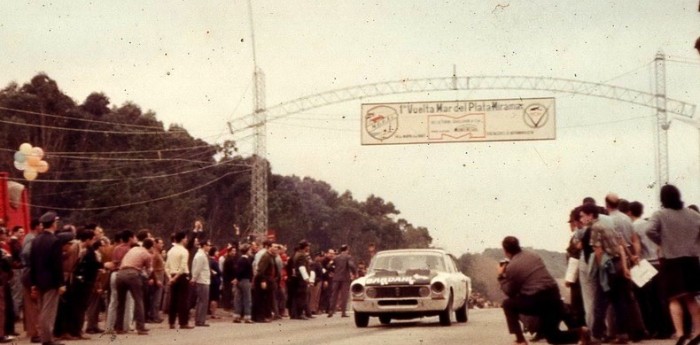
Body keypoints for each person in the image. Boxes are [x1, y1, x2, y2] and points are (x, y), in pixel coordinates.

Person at [497, 236, 588, 345]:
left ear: (505, 251)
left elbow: (510, 292)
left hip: (538, 300)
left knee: (508, 304)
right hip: (553, 294)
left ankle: (520, 340)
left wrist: (501, 276)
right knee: (553, 337)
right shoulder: (533, 255)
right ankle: (581, 332)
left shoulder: (512, 267)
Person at [646, 185, 700, 345]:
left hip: (670, 260)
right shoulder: (693, 214)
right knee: (691, 298)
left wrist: (661, 241)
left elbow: (650, 230)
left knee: (674, 299)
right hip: (690, 260)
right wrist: (694, 245)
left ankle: (680, 333)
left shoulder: (660, 214)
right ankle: (698, 331)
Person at [579, 203, 631, 344]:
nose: (581, 219)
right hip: (618, 264)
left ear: (590, 215)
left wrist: (601, 270)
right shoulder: (608, 225)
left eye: (583, 216)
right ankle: (622, 334)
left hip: (608, 268)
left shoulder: (595, 227)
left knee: (599, 303)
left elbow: (598, 251)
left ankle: (595, 336)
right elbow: (621, 244)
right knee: (619, 302)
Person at [30, 211, 65, 345]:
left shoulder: (35, 240)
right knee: (48, 311)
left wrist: (33, 282)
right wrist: (61, 283)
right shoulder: (55, 241)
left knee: (41, 309)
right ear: (53, 224)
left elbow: (32, 262)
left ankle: (45, 336)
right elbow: (57, 264)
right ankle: (47, 338)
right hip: (51, 281)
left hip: (38, 279)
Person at [114, 238, 153, 335]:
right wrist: (146, 277)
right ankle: (140, 327)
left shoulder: (133, 249)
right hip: (133, 274)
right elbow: (148, 270)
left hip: (120, 273)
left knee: (121, 302)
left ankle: (119, 327)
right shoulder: (147, 254)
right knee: (139, 300)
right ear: (151, 247)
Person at [165, 231, 192, 330]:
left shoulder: (170, 251)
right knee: (183, 300)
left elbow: (166, 266)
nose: (186, 240)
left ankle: (171, 322)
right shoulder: (184, 251)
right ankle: (183, 322)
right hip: (182, 276)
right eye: (185, 238)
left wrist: (170, 278)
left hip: (172, 274)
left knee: (173, 299)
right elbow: (182, 267)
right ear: (182, 239)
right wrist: (176, 277)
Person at [328, 244, 356, 318]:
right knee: (344, 296)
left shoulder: (336, 258)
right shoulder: (348, 257)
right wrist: (354, 273)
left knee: (334, 295)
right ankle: (343, 312)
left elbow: (328, 266)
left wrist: (334, 270)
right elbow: (351, 265)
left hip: (336, 278)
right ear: (346, 250)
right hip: (345, 279)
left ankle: (331, 311)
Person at [191, 240, 211, 327]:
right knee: (203, 301)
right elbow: (197, 268)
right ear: (204, 246)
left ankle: (199, 319)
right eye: (208, 245)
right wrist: (194, 278)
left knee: (201, 301)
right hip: (202, 280)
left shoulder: (202, 255)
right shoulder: (200, 256)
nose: (209, 247)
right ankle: (200, 320)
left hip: (204, 279)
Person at [233, 243, 253, 323]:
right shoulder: (246, 261)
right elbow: (245, 271)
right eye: (250, 250)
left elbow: (237, 271)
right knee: (247, 299)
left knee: (238, 298)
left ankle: (237, 315)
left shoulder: (239, 260)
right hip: (245, 280)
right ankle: (247, 316)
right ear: (247, 251)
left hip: (239, 281)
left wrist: (237, 279)